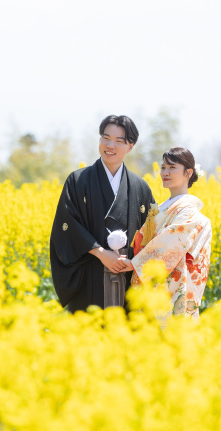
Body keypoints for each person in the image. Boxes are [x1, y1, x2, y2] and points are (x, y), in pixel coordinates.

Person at [49, 115, 156, 312]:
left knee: (128, 326)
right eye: (105, 138)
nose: (110, 145)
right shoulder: (78, 181)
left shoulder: (140, 187)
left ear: (130, 146)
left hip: (127, 278)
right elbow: (67, 227)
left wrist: (135, 264)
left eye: (118, 141)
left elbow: (151, 236)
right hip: (89, 277)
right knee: (90, 326)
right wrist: (101, 253)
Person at [120, 147, 212, 320]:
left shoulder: (189, 211)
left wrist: (135, 264)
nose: (165, 172)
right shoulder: (162, 207)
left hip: (171, 288)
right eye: (163, 167)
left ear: (188, 172)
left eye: (172, 167)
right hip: (149, 284)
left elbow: (172, 243)